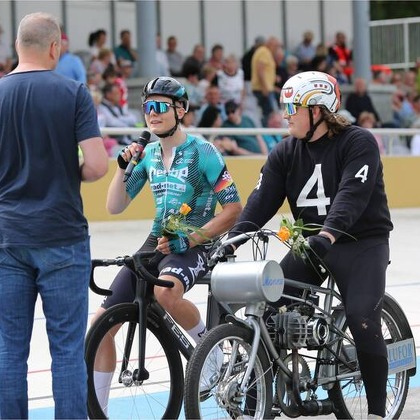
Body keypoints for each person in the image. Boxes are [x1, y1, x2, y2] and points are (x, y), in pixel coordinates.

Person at [227, 71, 393, 419]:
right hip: (312, 245)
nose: (285, 114)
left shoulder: (358, 142)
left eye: (292, 108)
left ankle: (377, 412)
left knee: (362, 318)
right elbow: (260, 202)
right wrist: (230, 242)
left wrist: (328, 235)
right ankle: (257, 403)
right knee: (267, 310)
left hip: (361, 242)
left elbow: (350, 196)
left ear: (318, 111)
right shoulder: (285, 151)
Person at [89, 76, 242, 412]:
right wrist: (121, 169)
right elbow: (114, 206)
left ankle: (210, 351)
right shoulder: (148, 155)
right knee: (100, 326)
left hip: (197, 240)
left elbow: (233, 210)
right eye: (147, 107)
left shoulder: (204, 152)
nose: (152, 114)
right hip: (156, 241)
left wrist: (190, 239)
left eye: (159, 106)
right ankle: (98, 412)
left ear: (181, 110)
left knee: (165, 292)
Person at [0, 12, 109, 418]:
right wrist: (68, 170)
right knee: (66, 349)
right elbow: (96, 166)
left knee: (9, 348)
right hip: (62, 234)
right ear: (54, 47)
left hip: (8, 235)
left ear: (17, 46)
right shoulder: (73, 92)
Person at [251, 36, 281, 127]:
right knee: (268, 114)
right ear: (270, 45)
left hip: (266, 88)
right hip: (263, 89)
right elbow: (260, 69)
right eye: (276, 47)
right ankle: (266, 132)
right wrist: (265, 87)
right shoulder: (264, 52)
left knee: (268, 112)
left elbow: (265, 71)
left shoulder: (264, 52)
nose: (276, 50)